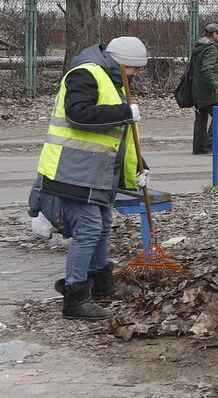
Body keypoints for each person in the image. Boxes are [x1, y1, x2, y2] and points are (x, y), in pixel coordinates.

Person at [36, 36, 148, 320]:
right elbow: (78, 114)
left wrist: (137, 167)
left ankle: (102, 284)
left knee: (102, 225)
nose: (135, 75)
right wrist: (124, 112)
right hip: (71, 171)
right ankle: (75, 298)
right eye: (134, 69)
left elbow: (115, 138)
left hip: (95, 173)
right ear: (121, 62)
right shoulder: (85, 73)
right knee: (88, 229)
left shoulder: (111, 80)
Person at [191, 23, 218, 155]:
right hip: (208, 91)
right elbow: (207, 70)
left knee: (201, 118)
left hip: (197, 90)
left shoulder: (198, 46)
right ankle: (209, 145)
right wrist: (216, 86)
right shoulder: (211, 48)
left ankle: (198, 148)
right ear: (214, 34)